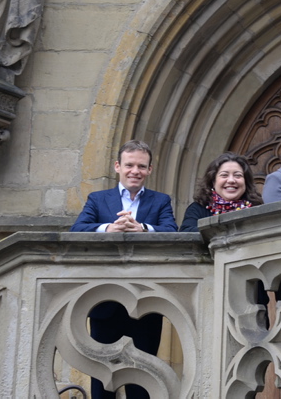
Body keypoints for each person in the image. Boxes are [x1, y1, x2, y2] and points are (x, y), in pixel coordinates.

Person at [70, 140, 175, 399]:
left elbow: (172, 232)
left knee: (143, 377)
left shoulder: (161, 201)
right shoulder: (98, 199)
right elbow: (76, 230)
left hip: (146, 301)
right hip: (104, 302)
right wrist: (108, 228)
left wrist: (143, 229)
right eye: (129, 165)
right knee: (103, 378)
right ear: (118, 166)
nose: (135, 171)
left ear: (150, 169)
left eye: (141, 166)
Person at [179, 153, 261, 232]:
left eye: (238, 175)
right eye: (224, 175)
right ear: (213, 181)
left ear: (246, 181)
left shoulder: (257, 207)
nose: (231, 180)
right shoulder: (198, 209)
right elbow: (186, 234)